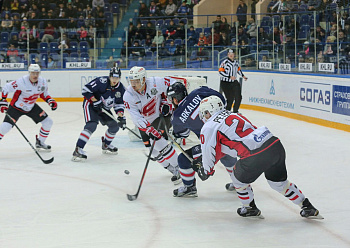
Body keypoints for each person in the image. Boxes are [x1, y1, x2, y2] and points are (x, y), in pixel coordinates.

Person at [195, 95, 322, 219]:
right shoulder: (234, 114)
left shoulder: (209, 126)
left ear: (207, 112)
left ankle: (250, 208)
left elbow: (209, 149)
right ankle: (308, 206)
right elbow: (227, 146)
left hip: (255, 154)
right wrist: (208, 166)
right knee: (279, 183)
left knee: (237, 178)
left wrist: (206, 170)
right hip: (274, 144)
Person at [166, 82, 238, 197]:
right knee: (227, 156)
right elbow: (221, 100)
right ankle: (239, 182)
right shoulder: (198, 92)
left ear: (174, 100)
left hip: (211, 144)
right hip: (228, 135)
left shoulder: (177, 116)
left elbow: (183, 134)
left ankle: (189, 187)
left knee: (183, 159)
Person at [123, 66, 180, 184]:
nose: (133, 84)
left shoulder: (155, 82)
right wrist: (148, 128)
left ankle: (180, 168)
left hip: (160, 116)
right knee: (151, 149)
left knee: (158, 142)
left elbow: (174, 84)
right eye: (131, 81)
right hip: (144, 122)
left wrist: (167, 101)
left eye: (136, 81)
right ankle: (171, 168)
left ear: (144, 79)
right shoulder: (128, 95)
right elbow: (136, 117)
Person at [72, 67, 126, 162]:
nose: (115, 80)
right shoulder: (101, 81)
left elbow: (119, 104)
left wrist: (121, 117)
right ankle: (78, 149)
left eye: (117, 78)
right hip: (91, 105)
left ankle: (106, 144)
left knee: (114, 126)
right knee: (92, 125)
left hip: (103, 108)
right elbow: (85, 90)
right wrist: (94, 100)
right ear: (109, 76)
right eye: (113, 77)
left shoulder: (121, 89)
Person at [0, 64, 57, 151]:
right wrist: (3, 101)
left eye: (37, 73)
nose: (35, 75)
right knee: (5, 127)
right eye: (33, 73)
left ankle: (40, 142)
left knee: (48, 122)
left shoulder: (43, 82)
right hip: (16, 107)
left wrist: (50, 101)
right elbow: (6, 87)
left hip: (31, 106)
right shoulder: (21, 81)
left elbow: (43, 93)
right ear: (29, 73)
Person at [219, 49, 248, 113]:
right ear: (228, 55)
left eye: (232, 54)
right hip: (225, 83)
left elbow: (238, 70)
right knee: (230, 99)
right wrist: (229, 76)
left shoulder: (236, 62)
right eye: (229, 54)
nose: (231, 55)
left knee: (238, 97)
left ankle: (235, 111)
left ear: (234, 55)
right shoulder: (225, 62)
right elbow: (220, 72)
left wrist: (243, 76)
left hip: (234, 82)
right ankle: (227, 112)